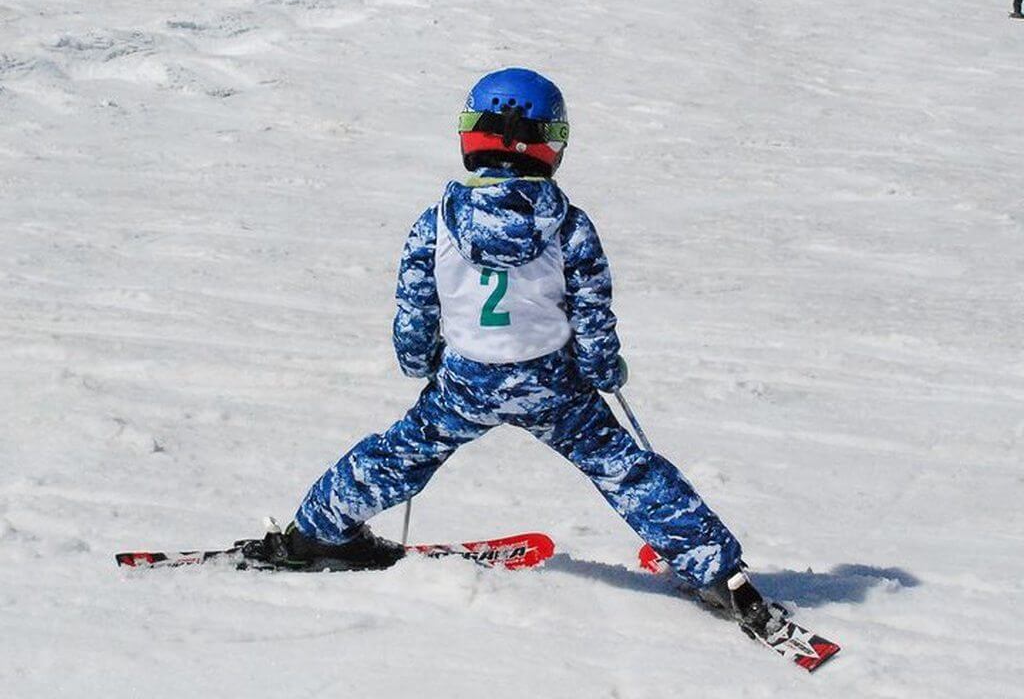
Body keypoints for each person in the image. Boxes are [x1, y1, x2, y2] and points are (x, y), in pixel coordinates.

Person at [239, 68, 772, 631]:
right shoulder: (569, 227)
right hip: (554, 387)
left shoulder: (436, 223)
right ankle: (718, 575)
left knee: (400, 454)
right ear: (551, 143)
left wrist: (420, 362)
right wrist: (602, 370)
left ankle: (314, 535)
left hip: (466, 382)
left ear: (471, 136)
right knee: (628, 472)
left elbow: (416, 309)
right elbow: (592, 314)